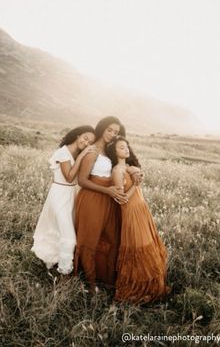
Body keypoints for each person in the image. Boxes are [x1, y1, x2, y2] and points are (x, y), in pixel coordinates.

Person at [74, 116, 142, 292]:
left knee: (112, 239)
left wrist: (133, 170)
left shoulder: (110, 150)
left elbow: (121, 164)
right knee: (90, 239)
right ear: (102, 128)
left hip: (109, 200)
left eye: (116, 132)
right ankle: (90, 284)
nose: (112, 134)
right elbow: (81, 180)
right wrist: (108, 191)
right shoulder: (93, 151)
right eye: (109, 130)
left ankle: (108, 279)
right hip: (92, 198)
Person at [106, 136, 169, 303]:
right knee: (138, 246)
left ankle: (153, 286)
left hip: (142, 209)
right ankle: (138, 290)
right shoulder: (117, 171)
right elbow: (122, 199)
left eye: (126, 147)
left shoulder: (129, 167)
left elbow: (138, 181)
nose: (126, 149)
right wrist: (135, 184)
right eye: (121, 147)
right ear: (114, 152)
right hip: (131, 211)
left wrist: (138, 177)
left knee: (148, 244)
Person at [31, 125, 96, 275]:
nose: (86, 143)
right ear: (78, 135)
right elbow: (69, 176)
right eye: (85, 138)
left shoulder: (77, 154)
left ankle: (56, 261)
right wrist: (82, 155)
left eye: (89, 142)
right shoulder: (63, 152)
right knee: (69, 238)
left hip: (72, 194)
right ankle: (65, 274)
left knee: (62, 229)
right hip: (59, 195)